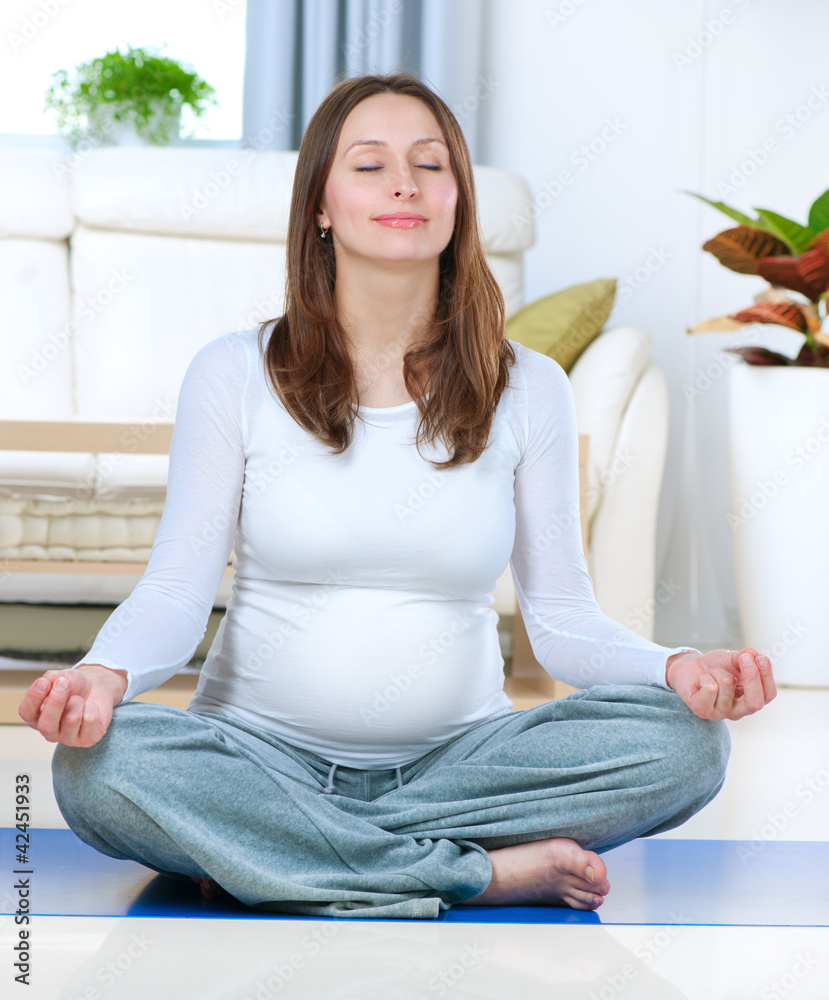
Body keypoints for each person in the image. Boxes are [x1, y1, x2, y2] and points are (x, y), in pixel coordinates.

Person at [19, 73, 776, 921]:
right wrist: (102, 674)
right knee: (100, 767)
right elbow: (173, 591)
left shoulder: (530, 387)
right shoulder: (232, 372)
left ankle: (271, 853)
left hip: (462, 764)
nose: (405, 184)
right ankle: (475, 873)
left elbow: (561, 621)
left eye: (430, 163)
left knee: (685, 746)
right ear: (320, 206)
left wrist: (672, 665)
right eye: (370, 165)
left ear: (458, 202)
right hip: (259, 756)